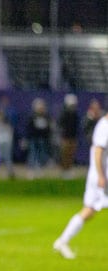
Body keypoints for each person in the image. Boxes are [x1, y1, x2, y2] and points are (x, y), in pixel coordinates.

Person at [54, 112, 108, 259]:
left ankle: (62, 241)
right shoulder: (104, 126)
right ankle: (62, 241)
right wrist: (101, 176)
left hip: (101, 176)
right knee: (89, 210)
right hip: (100, 178)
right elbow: (97, 152)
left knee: (89, 211)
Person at [26, 97, 52, 179]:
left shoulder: (46, 117)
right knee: (33, 154)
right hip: (34, 138)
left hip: (42, 139)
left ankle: (39, 169)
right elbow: (29, 128)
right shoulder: (32, 117)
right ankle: (31, 170)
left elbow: (48, 128)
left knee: (41, 154)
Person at [58, 94, 80, 178]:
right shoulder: (64, 114)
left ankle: (69, 169)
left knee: (71, 155)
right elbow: (61, 124)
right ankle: (64, 170)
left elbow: (76, 126)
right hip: (65, 138)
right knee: (64, 155)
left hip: (73, 137)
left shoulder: (75, 115)